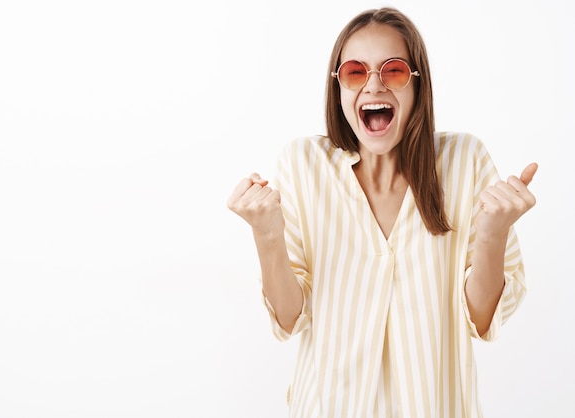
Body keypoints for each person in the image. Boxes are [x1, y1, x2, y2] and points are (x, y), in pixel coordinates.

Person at [227, 7, 537, 418]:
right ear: (338, 88)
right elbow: (289, 318)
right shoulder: (303, 163)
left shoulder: (466, 160)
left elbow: (481, 320)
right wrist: (266, 234)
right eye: (356, 72)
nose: (374, 85)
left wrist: (494, 232)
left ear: (416, 85)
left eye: (392, 71)